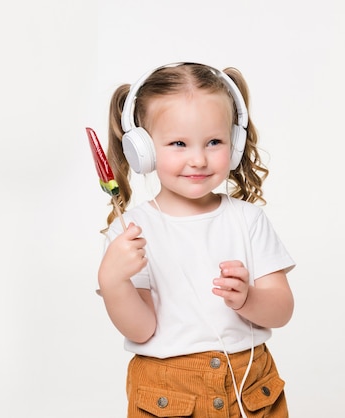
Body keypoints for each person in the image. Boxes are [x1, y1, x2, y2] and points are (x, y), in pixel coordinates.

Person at [97, 62, 295, 417]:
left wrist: (248, 298)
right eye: (178, 143)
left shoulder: (247, 219)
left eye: (214, 142)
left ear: (234, 143)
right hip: (167, 393)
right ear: (143, 149)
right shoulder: (132, 231)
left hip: (248, 384)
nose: (199, 159)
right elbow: (142, 330)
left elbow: (282, 310)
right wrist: (113, 282)